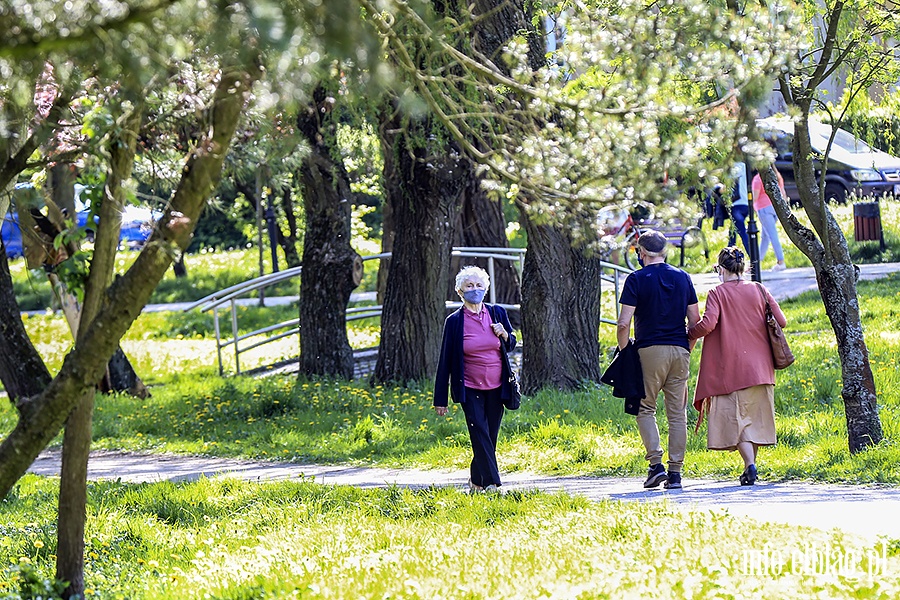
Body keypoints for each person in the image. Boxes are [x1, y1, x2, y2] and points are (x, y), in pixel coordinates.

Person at [688, 247, 787, 486]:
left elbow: (708, 323)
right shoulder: (759, 289)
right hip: (761, 367)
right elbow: (781, 321)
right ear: (744, 268)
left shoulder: (717, 293)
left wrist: (688, 333)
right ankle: (749, 467)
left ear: (721, 269)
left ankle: (750, 466)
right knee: (753, 420)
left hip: (731, 369)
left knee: (739, 422)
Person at [617, 230, 700, 490]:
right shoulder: (683, 277)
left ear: (641, 253)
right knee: (677, 415)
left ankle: (655, 465)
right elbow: (695, 322)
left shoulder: (636, 279)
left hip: (649, 350)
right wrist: (688, 347)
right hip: (679, 349)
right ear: (665, 252)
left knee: (646, 409)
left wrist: (625, 352)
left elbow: (623, 323)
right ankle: (676, 473)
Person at [433, 265, 517, 492]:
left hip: (497, 386)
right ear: (460, 291)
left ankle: (476, 482)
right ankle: (493, 483)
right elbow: (445, 361)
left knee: (489, 436)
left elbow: (511, 344)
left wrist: (504, 334)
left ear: (486, 289)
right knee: (479, 432)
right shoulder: (454, 322)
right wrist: (440, 399)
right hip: (469, 387)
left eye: (479, 285)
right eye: (469, 286)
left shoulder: (497, 313)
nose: (475, 289)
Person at [751, 169, 787, 271]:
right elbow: (783, 192)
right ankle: (756, 263)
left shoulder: (758, 179)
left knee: (772, 235)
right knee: (765, 236)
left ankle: (781, 261)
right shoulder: (776, 175)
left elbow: (755, 197)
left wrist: (751, 209)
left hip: (763, 209)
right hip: (776, 208)